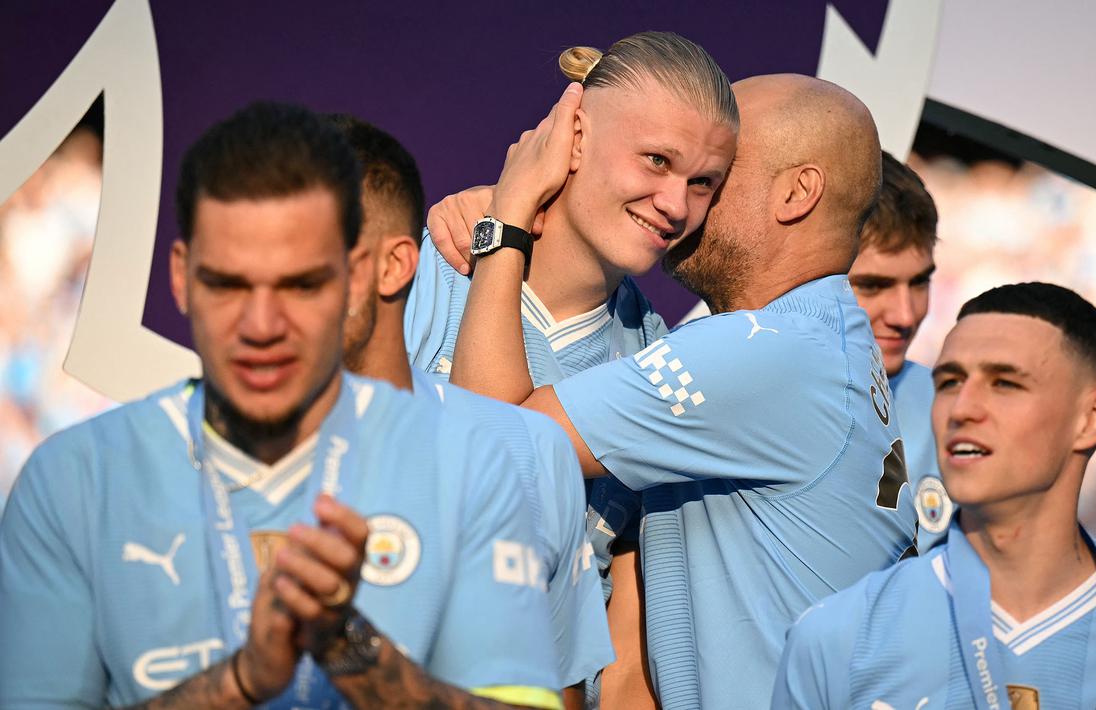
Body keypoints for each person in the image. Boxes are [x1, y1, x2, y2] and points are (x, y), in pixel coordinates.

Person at [0, 102, 561, 709]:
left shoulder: (469, 462)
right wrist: (241, 681)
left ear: (351, 280)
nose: (261, 325)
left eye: (300, 285)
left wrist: (349, 647)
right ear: (182, 278)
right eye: (229, 284)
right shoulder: (73, 478)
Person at [442, 73, 916, 708]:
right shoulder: (821, 343)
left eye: (715, 176)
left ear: (797, 193)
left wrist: (509, 216)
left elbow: (499, 439)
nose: (682, 200)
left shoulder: (770, 353)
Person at [414, 31, 739, 709]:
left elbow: (626, 623)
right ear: (574, 135)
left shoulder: (663, 363)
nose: (675, 204)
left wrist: (503, 220)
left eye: (701, 183)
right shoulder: (427, 269)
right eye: (655, 160)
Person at [771, 282, 1096, 709]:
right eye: (949, 381)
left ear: (1092, 418)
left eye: (1005, 383)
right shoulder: (836, 639)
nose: (963, 408)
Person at [326, 112, 612, 708]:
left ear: (392, 264)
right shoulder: (155, 457)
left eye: (310, 265)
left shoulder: (534, 454)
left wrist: (347, 651)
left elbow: (552, 695)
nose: (270, 304)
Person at [846, 151, 946, 545]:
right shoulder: (736, 396)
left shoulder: (953, 409)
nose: (905, 315)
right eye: (872, 285)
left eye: (920, 282)